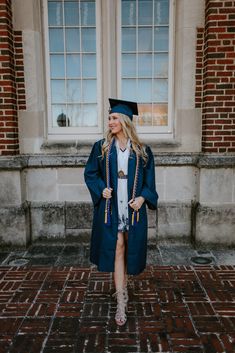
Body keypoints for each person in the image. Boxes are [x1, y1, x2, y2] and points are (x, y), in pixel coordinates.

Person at [84, 98, 158, 326]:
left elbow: (149, 182)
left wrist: (143, 197)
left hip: (133, 209)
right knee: (117, 247)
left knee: (129, 248)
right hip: (111, 208)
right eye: (109, 118)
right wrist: (101, 189)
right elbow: (90, 174)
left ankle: (123, 285)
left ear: (125, 121)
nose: (110, 122)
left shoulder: (143, 151)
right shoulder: (102, 148)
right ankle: (121, 300)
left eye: (114, 118)